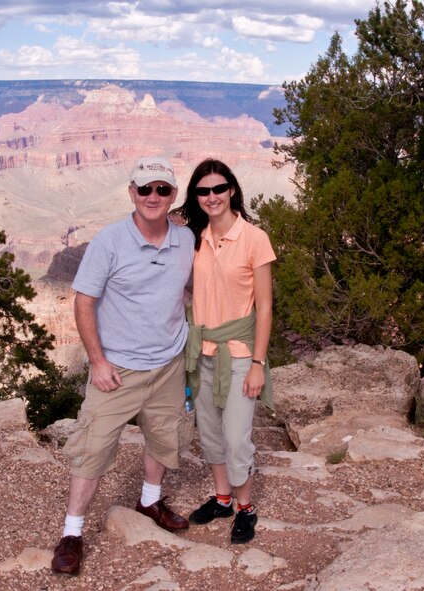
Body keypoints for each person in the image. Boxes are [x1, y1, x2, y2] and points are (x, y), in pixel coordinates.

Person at [51, 156, 195, 576]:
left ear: (173, 196)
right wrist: (97, 361)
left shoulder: (184, 240)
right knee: (93, 447)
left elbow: (196, 288)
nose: (153, 197)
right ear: (132, 192)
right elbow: (84, 302)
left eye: (162, 190)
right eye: (145, 189)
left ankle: (149, 500)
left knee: (164, 437)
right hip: (117, 367)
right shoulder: (109, 241)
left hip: (169, 361)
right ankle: (72, 533)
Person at [170, 158, 276, 545]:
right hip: (202, 353)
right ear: (195, 196)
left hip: (239, 354)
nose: (211, 197)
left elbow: (264, 307)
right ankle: (222, 498)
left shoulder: (253, 238)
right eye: (203, 191)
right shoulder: (193, 239)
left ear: (232, 190)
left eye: (218, 189)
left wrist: (258, 364)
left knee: (236, 437)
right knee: (211, 434)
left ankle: (246, 508)